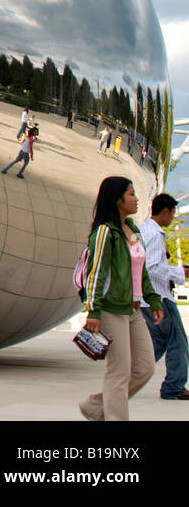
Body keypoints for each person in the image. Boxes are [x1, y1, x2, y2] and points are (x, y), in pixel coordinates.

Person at [78, 176, 163, 421]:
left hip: (134, 309)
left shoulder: (133, 230)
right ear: (118, 199)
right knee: (119, 372)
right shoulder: (105, 232)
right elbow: (95, 274)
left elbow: (141, 271)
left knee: (145, 367)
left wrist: (153, 299)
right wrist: (93, 311)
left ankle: (96, 406)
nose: (136, 199)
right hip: (111, 309)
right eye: (131, 194)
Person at [139, 193, 189, 401]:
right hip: (159, 297)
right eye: (172, 214)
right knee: (178, 341)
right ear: (166, 211)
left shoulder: (142, 230)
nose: (172, 218)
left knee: (158, 342)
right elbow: (152, 267)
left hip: (145, 298)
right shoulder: (156, 234)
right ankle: (174, 387)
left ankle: (130, 375)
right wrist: (180, 273)